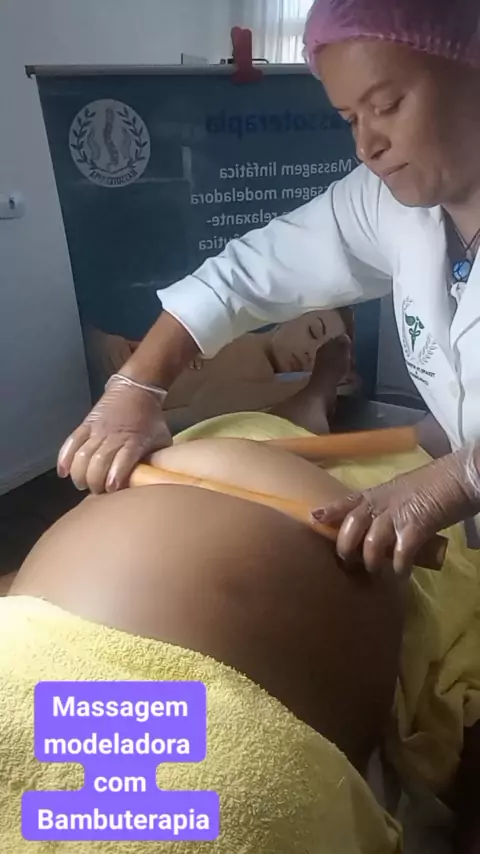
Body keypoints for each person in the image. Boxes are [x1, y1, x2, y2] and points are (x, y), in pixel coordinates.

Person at [58, 0, 480, 573]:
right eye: (350, 119)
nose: (367, 146)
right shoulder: (388, 205)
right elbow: (247, 275)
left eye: (386, 106)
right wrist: (137, 384)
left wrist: (462, 477)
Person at [2, 406, 480, 852]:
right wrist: (138, 385)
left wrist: (462, 477)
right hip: (70, 662)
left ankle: (316, 405)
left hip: (37, 653)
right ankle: (316, 406)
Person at [83, 309, 353, 434]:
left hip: (109, 411)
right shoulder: (239, 344)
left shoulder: (260, 375)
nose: (309, 354)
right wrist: (105, 343)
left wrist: (313, 382)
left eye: (318, 357)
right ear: (292, 313)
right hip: (108, 375)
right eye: (312, 332)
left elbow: (197, 412)